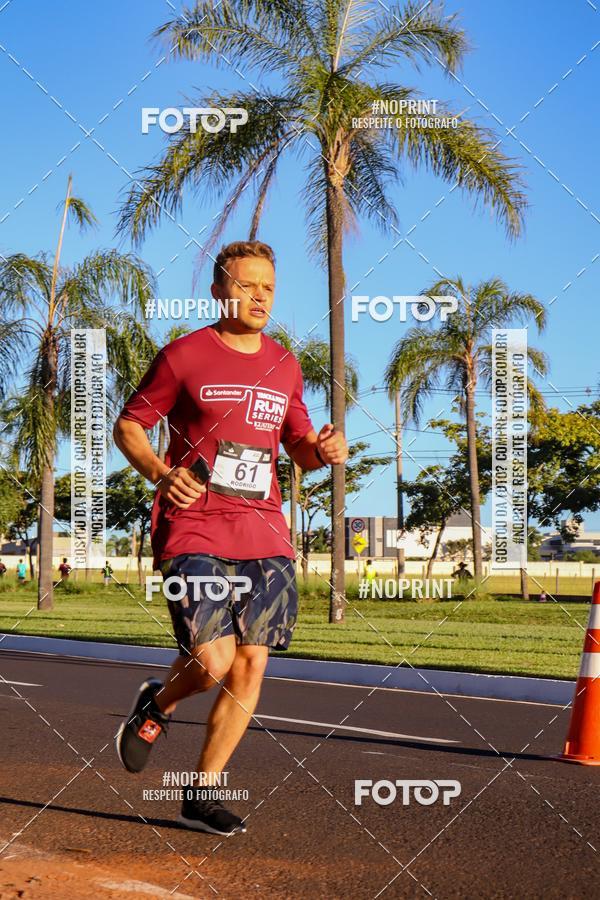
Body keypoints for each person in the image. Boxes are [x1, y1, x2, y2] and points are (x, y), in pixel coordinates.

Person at [113, 240, 348, 836]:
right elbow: (130, 425)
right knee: (213, 661)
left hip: (264, 530)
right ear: (219, 290)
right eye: (245, 285)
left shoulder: (285, 364)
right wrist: (164, 476)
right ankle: (158, 704)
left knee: (250, 665)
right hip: (192, 524)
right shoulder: (184, 356)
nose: (259, 296)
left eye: (267, 286)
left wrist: (321, 451)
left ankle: (201, 792)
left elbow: (297, 445)